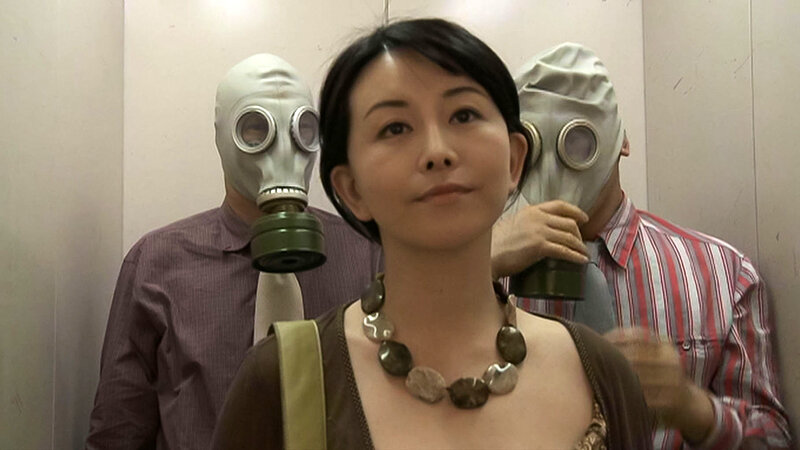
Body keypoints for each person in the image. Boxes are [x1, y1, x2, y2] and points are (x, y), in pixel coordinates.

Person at [212, 19, 652, 450]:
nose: (437, 152)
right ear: (351, 189)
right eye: (395, 127)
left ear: (515, 160)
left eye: (464, 114)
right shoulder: (280, 381)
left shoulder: (602, 375)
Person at [492, 42, 791, 449]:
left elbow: (773, 440)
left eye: (578, 144)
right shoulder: (484, 275)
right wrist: (478, 264)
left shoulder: (723, 275)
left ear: (622, 140)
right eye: (533, 148)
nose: (553, 168)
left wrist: (693, 408)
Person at [86, 54, 382, 450]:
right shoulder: (157, 263)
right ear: (222, 137)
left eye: (301, 130)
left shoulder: (367, 255)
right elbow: (118, 433)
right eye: (256, 129)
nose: (283, 151)